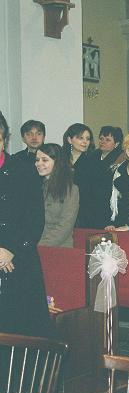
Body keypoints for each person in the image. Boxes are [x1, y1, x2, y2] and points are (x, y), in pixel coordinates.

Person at [0, 111, 53, 338]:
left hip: (18, 257)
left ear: (4, 140)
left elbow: (34, 218)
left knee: (20, 327)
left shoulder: (23, 170)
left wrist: (9, 249)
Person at [36, 143, 80, 247]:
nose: (38, 164)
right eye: (37, 160)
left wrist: (41, 245)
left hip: (58, 248)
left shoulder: (71, 189)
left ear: (57, 163)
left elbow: (65, 225)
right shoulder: (35, 186)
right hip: (34, 244)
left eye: (44, 160)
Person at [62, 122, 96, 227]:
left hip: (84, 212)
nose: (85, 142)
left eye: (88, 139)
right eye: (80, 138)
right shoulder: (60, 159)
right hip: (61, 209)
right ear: (69, 140)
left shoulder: (93, 162)